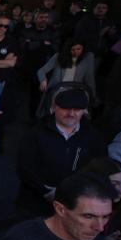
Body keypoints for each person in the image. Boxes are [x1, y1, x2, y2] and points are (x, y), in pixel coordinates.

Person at [17, 87, 106, 217]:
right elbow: (25, 167)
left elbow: (99, 167)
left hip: (75, 203)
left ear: (84, 111)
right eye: (65, 108)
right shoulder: (35, 134)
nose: (71, 113)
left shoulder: (93, 137)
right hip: (35, 203)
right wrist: (45, 192)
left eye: (77, 109)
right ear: (54, 107)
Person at [36, 39, 96, 116]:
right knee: (59, 108)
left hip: (76, 90)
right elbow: (41, 71)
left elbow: (90, 79)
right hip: (59, 89)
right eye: (72, 49)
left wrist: (93, 96)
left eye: (78, 49)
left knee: (79, 109)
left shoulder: (87, 60)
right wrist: (43, 80)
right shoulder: (58, 57)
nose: (76, 52)